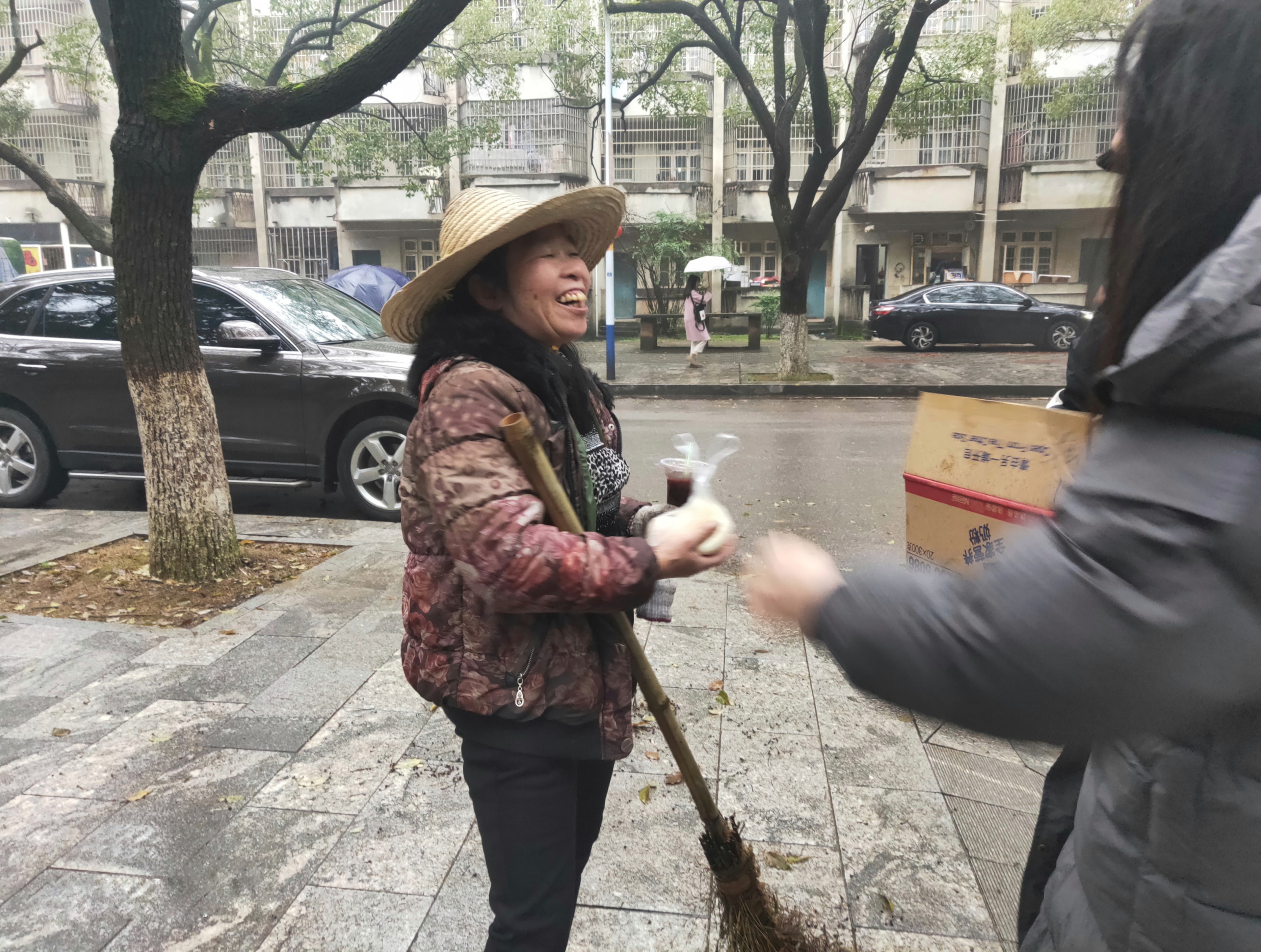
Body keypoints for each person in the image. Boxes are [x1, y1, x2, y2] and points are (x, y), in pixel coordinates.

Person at [746, 2, 1261, 949]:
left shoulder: (1229, 393)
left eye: (1129, 157)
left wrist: (828, 598)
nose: (1115, 164)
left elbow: (1031, 640)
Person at [379, 186, 735, 952]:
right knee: (532, 922)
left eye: (577, 253)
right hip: (511, 696)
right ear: (487, 288)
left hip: (574, 684)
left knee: (556, 888)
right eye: (549, 255)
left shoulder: (553, 377)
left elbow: (586, 506)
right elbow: (507, 559)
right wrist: (653, 558)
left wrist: (650, 522)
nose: (577, 269)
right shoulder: (468, 395)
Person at [682, 273, 712, 367]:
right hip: (694, 318)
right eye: (697, 282)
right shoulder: (693, 293)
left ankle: (693, 362)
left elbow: (699, 302)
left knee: (694, 339)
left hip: (688, 318)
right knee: (705, 338)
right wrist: (709, 293)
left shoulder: (688, 293)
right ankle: (693, 355)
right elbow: (704, 300)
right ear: (694, 282)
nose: (698, 284)